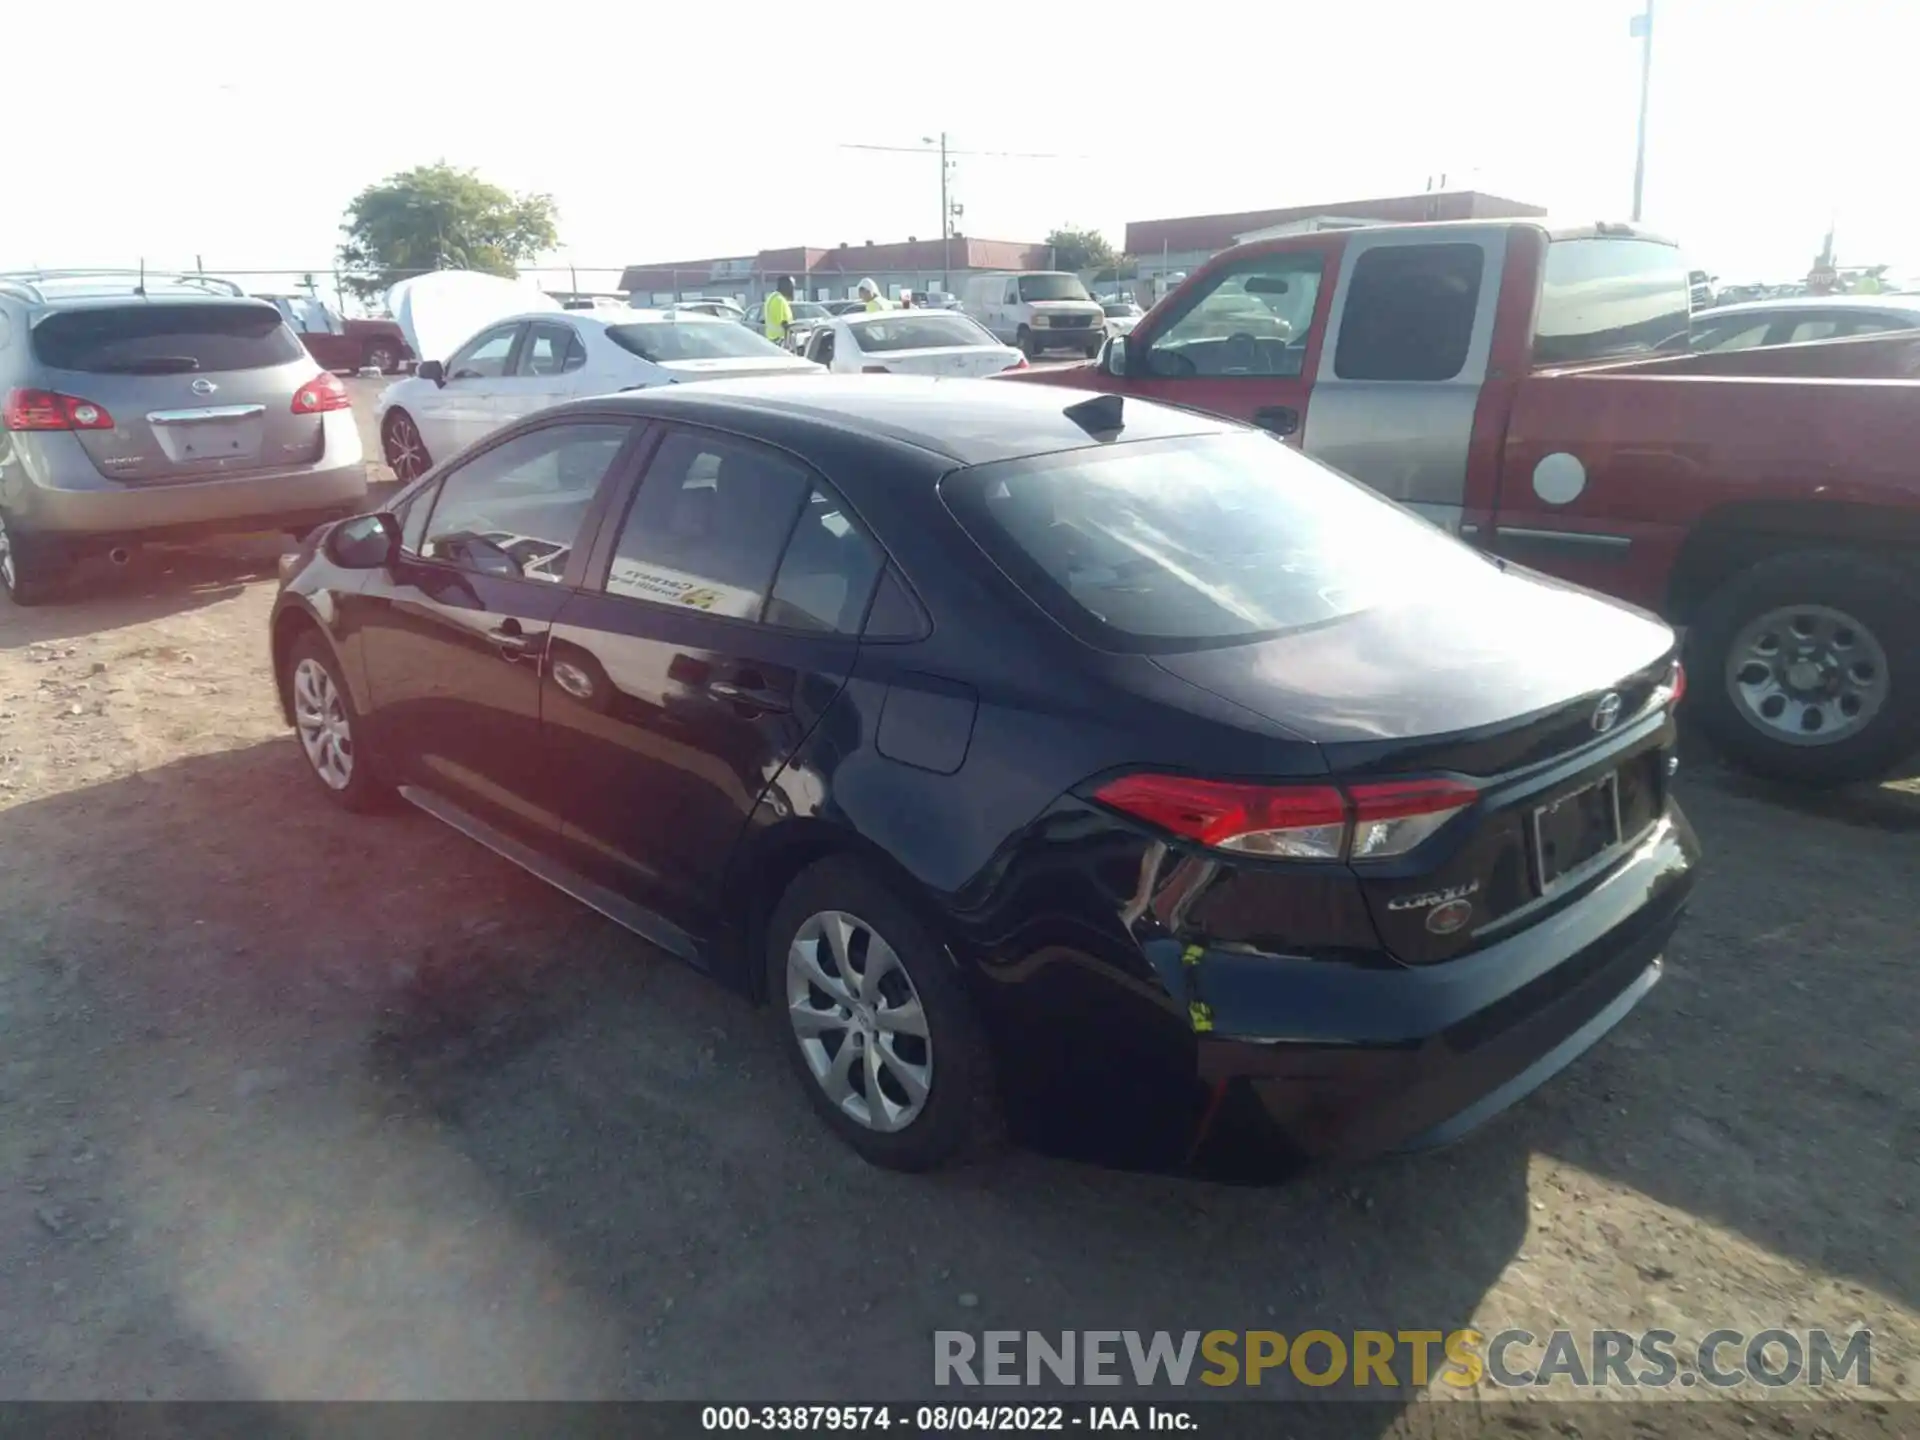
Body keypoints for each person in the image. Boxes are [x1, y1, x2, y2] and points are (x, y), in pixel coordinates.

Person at [764, 275, 796, 345]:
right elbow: (784, 323)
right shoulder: (779, 300)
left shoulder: (772, 297)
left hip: (773, 339)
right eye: (792, 287)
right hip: (779, 341)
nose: (793, 290)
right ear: (785, 286)